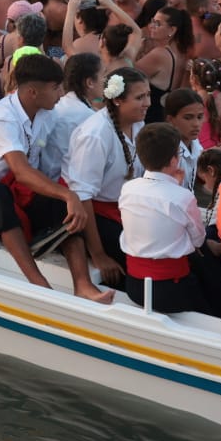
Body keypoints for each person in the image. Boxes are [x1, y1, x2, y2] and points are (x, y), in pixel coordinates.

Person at [0, 54, 114, 303]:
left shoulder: (48, 113)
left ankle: (83, 285)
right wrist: (67, 193)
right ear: (33, 92)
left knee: (65, 204)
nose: (61, 94)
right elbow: (21, 172)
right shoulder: (1, 117)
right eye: (55, 88)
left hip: (24, 195)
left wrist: (71, 196)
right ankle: (39, 284)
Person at [65, 67, 152, 288]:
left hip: (125, 209)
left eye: (148, 95)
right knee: (138, 260)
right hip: (95, 213)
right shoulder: (95, 135)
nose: (148, 103)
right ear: (118, 101)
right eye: (140, 97)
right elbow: (82, 196)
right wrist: (99, 254)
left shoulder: (138, 125)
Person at [119, 122, 212, 314]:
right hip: (171, 289)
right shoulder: (182, 198)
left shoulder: (128, 188)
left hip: (134, 285)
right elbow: (198, 240)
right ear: (174, 160)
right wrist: (176, 188)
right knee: (215, 292)